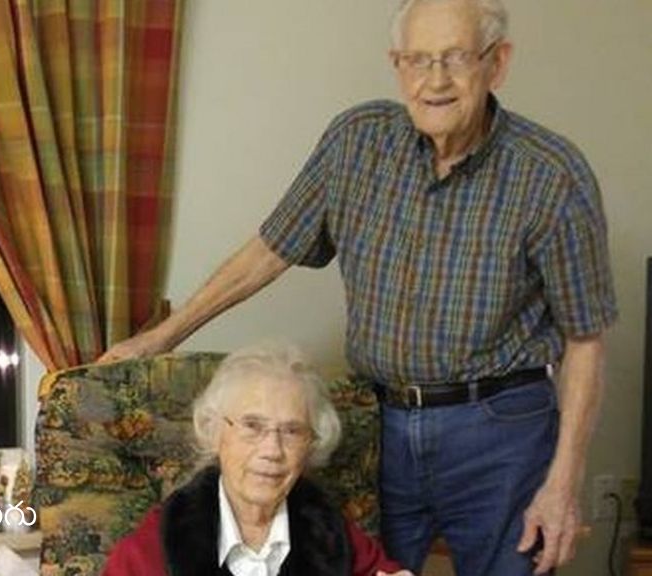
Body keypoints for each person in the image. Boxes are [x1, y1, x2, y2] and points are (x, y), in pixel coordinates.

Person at [100, 1, 617, 574]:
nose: (435, 80)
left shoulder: (551, 174)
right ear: (396, 65)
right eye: (417, 60)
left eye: (455, 58)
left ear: (497, 63)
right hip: (382, 425)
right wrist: (161, 337)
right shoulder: (357, 142)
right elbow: (269, 250)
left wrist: (563, 482)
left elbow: (585, 340)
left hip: (499, 432)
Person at [103, 343, 411, 576]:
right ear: (214, 431)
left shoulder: (331, 533)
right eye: (252, 426)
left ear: (311, 446)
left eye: (292, 431)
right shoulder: (148, 552)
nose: (272, 450)